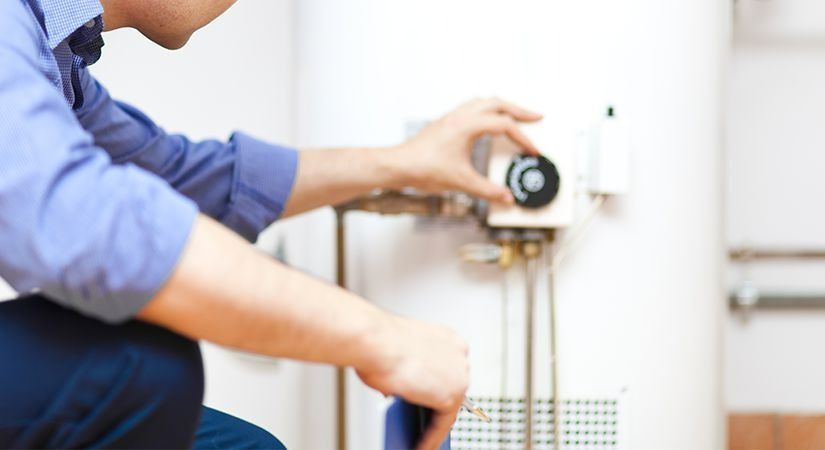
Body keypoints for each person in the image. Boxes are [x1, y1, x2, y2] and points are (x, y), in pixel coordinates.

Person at [0, 0, 543, 448]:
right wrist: (382, 338)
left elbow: (184, 179)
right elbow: (85, 222)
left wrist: (403, 162)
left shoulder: (54, 54)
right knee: (137, 364)